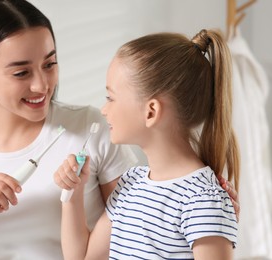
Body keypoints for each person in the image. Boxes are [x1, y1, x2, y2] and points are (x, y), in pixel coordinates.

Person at [0, 0, 239, 259]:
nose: (41, 85)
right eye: (21, 72)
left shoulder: (94, 129)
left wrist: (209, 210)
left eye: (50, 64)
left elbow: (145, 229)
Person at [55, 29, 239, 259]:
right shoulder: (130, 185)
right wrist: (73, 194)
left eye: (111, 98)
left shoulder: (203, 200)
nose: (104, 109)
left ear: (151, 111)